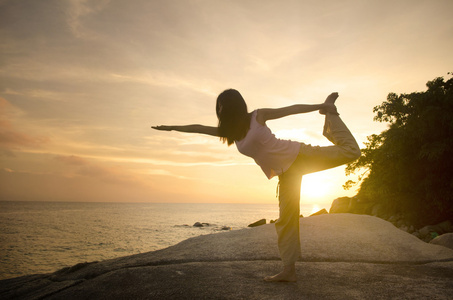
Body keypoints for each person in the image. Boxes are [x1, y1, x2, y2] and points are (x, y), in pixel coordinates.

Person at [152, 89, 361, 282]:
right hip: (286, 174)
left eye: (223, 104)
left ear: (236, 105)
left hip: (299, 155)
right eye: (219, 105)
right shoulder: (230, 133)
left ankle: (330, 114)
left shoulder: (257, 116)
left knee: (352, 152)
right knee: (286, 219)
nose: (220, 108)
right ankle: (289, 271)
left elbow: (290, 110)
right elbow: (198, 128)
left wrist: (320, 107)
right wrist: (171, 128)